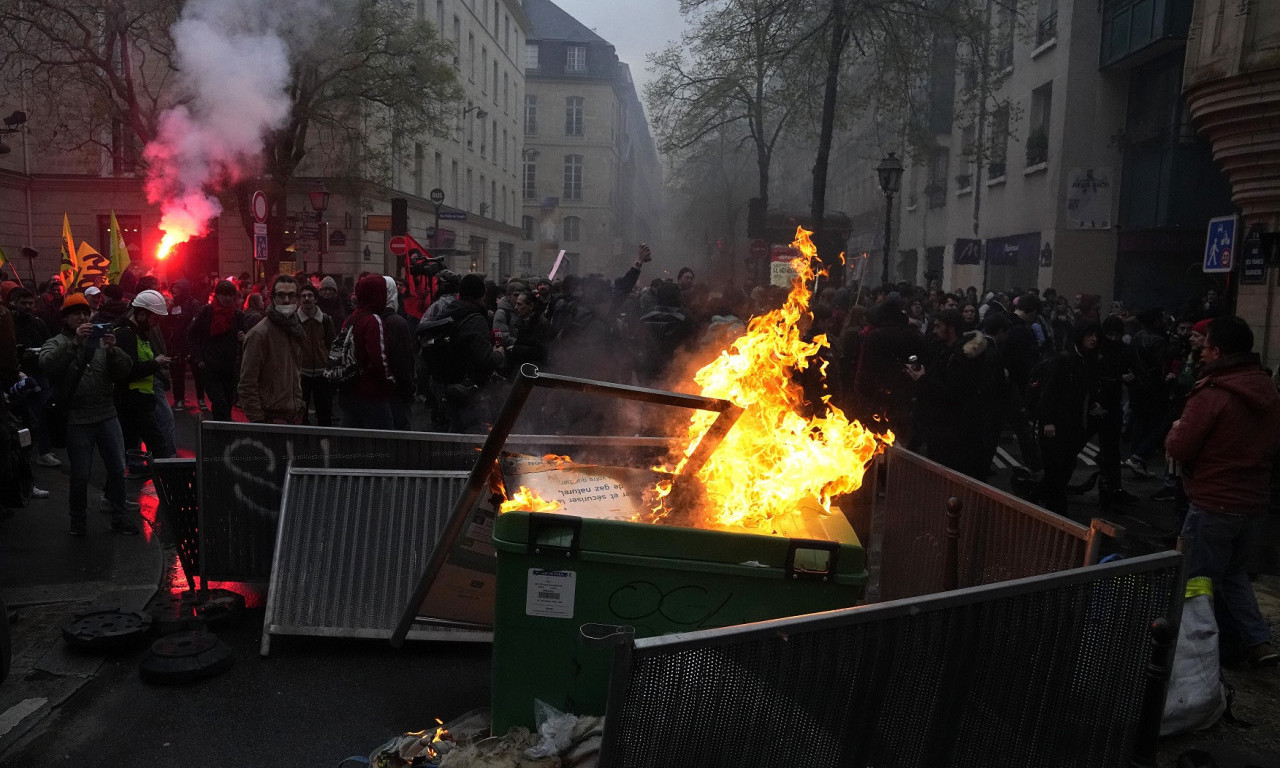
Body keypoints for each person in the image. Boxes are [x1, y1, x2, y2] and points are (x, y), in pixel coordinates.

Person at [1166, 316, 1280, 667]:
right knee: (1233, 574)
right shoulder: (1268, 390)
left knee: (1194, 581)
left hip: (1213, 501)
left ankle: (1191, 654)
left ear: (1218, 351)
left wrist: (1173, 432)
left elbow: (1182, 446)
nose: (1200, 352)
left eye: (1206, 346)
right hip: (1252, 502)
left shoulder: (1213, 394)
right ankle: (1259, 641)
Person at [39, 293, 138, 535]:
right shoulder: (56, 342)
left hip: (107, 413)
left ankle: (119, 517)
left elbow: (125, 370)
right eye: (76, 314)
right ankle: (78, 521)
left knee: (117, 468)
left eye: (86, 313)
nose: (83, 317)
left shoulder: (101, 342)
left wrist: (113, 350)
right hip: (78, 419)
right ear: (66, 318)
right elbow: (47, 365)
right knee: (81, 474)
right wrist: (73, 345)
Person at [905, 309, 994, 478]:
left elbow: (953, 393)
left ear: (951, 328)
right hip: (940, 426)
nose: (934, 330)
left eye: (938, 326)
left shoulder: (962, 357)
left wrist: (922, 379)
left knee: (947, 476)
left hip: (952, 430)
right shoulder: (944, 349)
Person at [1034, 321, 1102, 516]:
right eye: (1089, 335)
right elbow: (1048, 392)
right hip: (1055, 425)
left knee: (1063, 469)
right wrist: (1047, 421)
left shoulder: (1089, 361)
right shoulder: (1064, 360)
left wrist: (1095, 405)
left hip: (1073, 426)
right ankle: (1056, 514)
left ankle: (1038, 498)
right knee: (1056, 471)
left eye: (1096, 336)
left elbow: (1088, 390)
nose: (1094, 339)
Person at [112, 289, 174, 463]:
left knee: (132, 443)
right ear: (141, 314)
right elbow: (128, 371)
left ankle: (134, 470)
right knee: (158, 446)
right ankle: (170, 480)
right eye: (155, 318)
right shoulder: (126, 334)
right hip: (134, 402)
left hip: (139, 400)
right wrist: (156, 363)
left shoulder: (137, 333)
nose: (156, 324)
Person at [238, 275, 304, 424]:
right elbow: (247, 384)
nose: (286, 300)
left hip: (292, 416)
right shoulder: (260, 334)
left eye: (291, 295)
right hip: (271, 419)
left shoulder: (295, 329)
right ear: (273, 298)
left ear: (298, 299)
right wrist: (260, 422)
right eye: (281, 295)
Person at [188, 280, 245, 421]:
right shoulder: (206, 312)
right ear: (217, 295)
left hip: (230, 366)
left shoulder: (238, 315)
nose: (227, 298)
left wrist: (242, 337)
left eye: (230, 295)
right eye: (223, 295)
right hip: (210, 366)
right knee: (219, 402)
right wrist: (199, 358)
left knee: (227, 401)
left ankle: (224, 430)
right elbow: (192, 335)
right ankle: (221, 431)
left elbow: (245, 338)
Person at [297, 282, 337, 427]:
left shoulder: (325, 320)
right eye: (303, 296)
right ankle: (303, 445)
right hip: (302, 374)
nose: (307, 299)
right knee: (301, 414)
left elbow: (332, 344)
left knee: (324, 414)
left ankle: (324, 444)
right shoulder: (295, 321)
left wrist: (329, 364)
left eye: (310, 296)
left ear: (316, 299)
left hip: (322, 373)